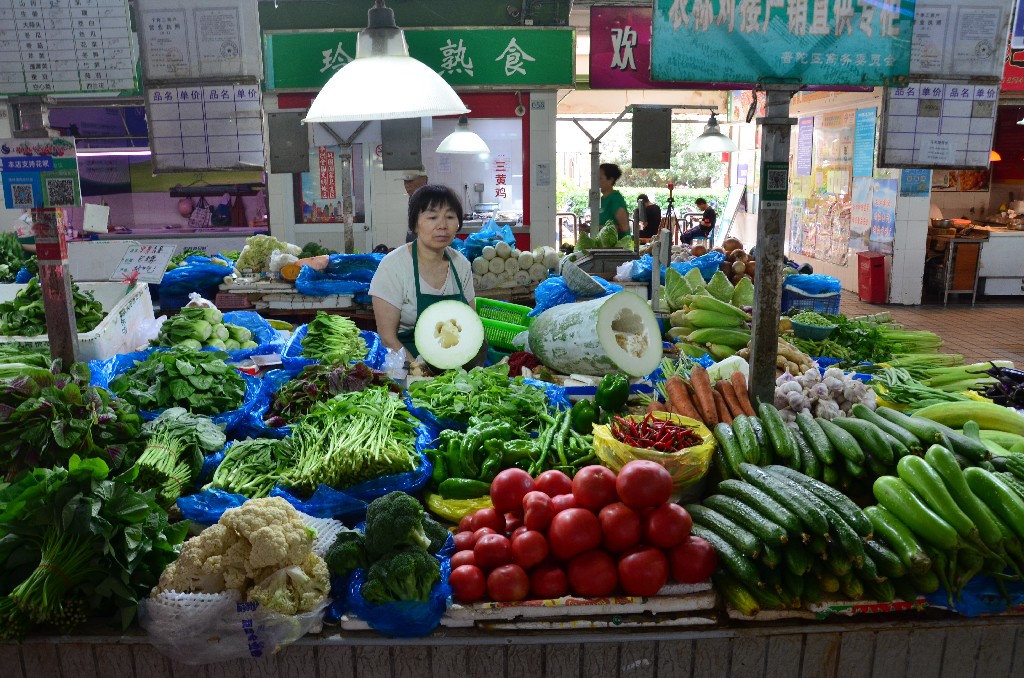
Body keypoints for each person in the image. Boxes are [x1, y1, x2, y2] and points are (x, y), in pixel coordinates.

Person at [370, 184, 478, 362]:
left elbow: (470, 325)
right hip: (405, 366)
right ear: (415, 224)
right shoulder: (393, 267)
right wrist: (419, 372)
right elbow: (388, 338)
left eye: (450, 217)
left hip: (454, 365)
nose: (442, 225)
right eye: (432, 217)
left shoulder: (461, 265)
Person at [598, 163, 629, 236]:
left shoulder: (616, 199)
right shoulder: (601, 199)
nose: (595, 181)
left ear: (610, 180)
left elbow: (624, 228)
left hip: (619, 246)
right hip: (605, 245)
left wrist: (595, 228)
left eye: (600, 178)